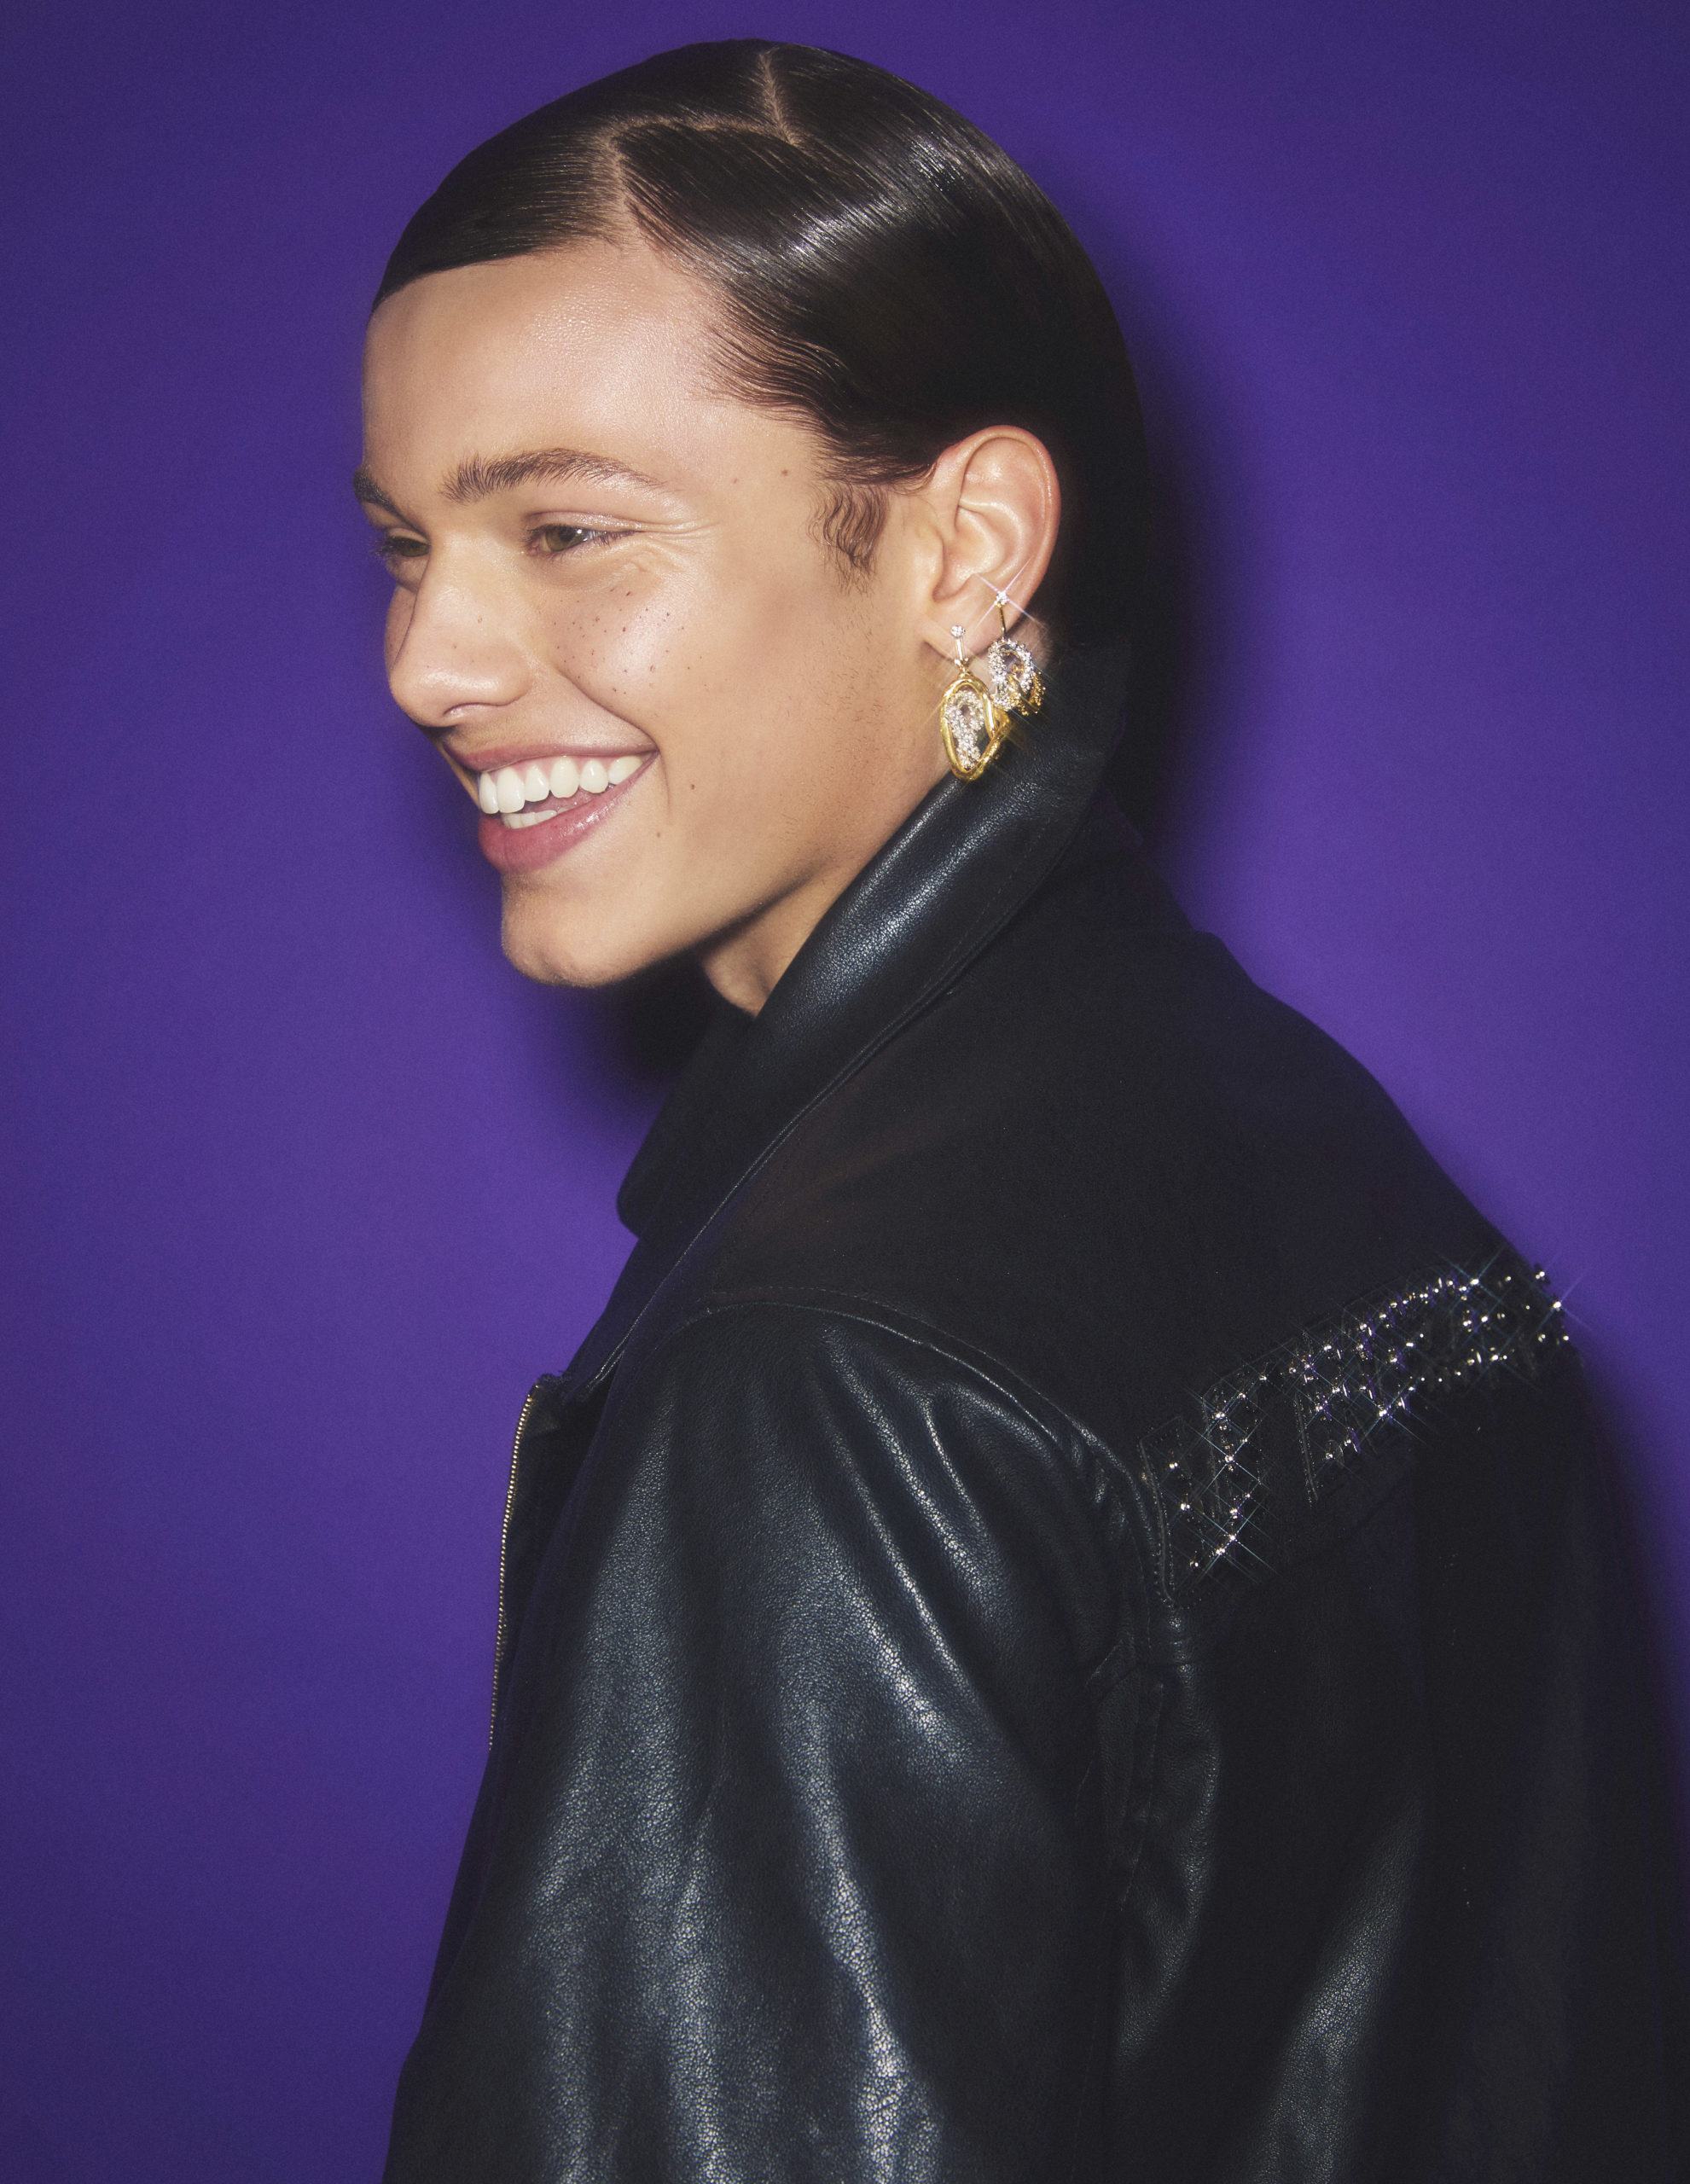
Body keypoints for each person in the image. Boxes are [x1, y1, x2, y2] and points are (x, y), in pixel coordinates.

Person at [357, 40, 1685, 2182]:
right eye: (406, 545)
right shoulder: (1288, 1119)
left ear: (965, 547)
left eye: (566, 528)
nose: (428, 658)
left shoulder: (825, 1373)